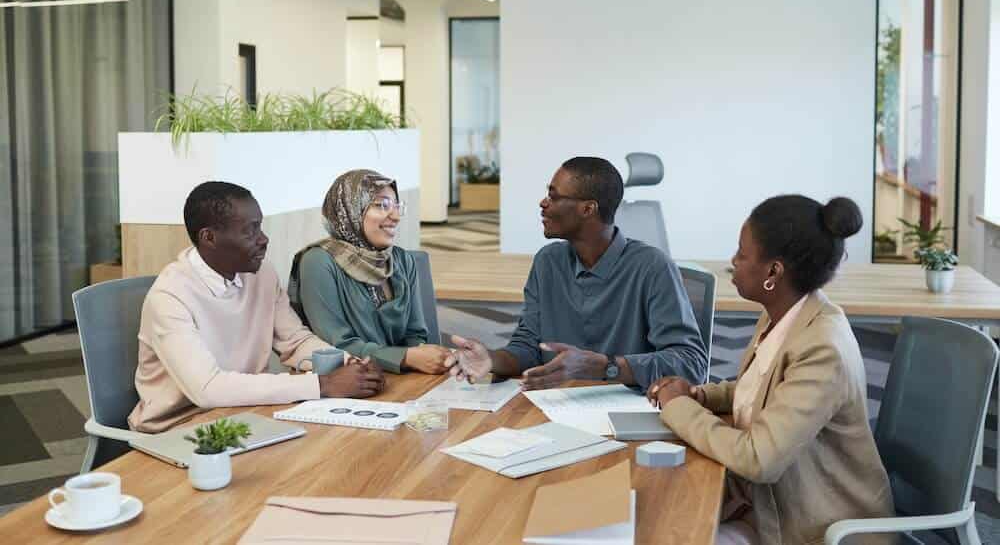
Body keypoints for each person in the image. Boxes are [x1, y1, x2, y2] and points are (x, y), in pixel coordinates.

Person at [648, 195, 894, 544]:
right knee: (659, 517)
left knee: (671, 528)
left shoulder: (822, 346)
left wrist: (678, 406)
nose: (732, 262)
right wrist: (700, 395)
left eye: (742, 253)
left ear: (773, 272)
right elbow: (762, 390)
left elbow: (758, 458)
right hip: (766, 506)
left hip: (814, 525)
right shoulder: (785, 313)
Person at [128, 181, 385, 434]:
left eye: (259, 227)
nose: (264, 239)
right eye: (250, 231)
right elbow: (208, 388)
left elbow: (295, 341)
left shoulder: (261, 274)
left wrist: (351, 363)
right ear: (210, 238)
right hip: (175, 429)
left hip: (244, 415)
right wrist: (323, 384)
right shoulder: (169, 296)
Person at [445, 156, 707, 391]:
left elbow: (691, 363)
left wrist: (607, 367)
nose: (543, 202)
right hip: (557, 408)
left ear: (587, 209)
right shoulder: (548, 262)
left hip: (631, 412)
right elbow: (528, 348)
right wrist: (491, 359)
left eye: (554, 196)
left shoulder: (653, 267)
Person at [288, 170, 451, 374]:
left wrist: (420, 356)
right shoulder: (319, 262)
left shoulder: (401, 260)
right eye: (382, 205)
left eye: (397, 206)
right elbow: (336, 345)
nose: (395, 216)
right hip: (347, 382)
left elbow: (416, 333)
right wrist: (404, 358)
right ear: (351, 209)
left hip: (407, 377)